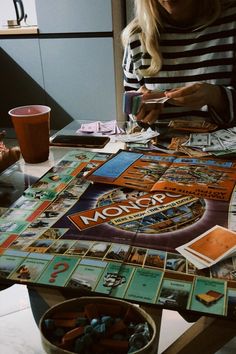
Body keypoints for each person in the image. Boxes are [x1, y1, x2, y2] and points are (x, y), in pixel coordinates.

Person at [122, 0, 236, 129]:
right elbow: (133, 114)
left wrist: (217, 97)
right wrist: (140, 109)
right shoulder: (136, 36)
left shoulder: (231, 21)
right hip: (158, 147)